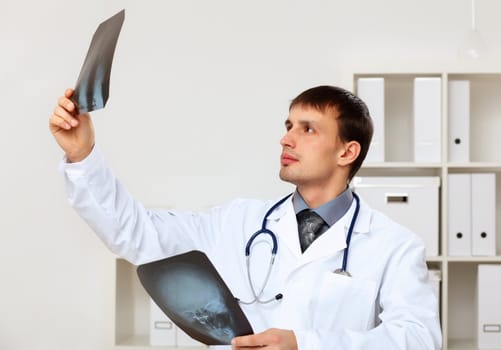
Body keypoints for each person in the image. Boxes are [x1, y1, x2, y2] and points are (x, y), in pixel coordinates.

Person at [49, 85, 442, 350]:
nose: (286, 139)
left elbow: (419, 338)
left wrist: (305, 343)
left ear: (346, 152)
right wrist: (83, 156)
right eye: (288, 125)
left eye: (308, 129)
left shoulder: (394, 245)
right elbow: (134, 234)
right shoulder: (236, 222)